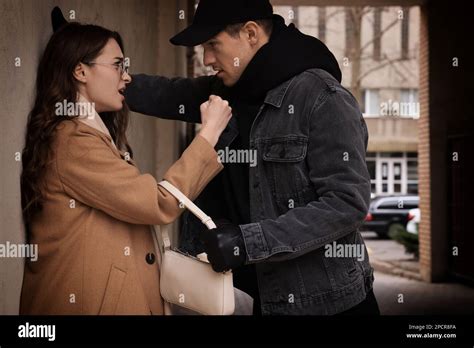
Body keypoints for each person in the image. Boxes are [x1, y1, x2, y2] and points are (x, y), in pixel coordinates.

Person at [127, 0, 380, 315]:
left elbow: (346, 204)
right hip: (256, 298)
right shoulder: (232, 88)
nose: (206, 59)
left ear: (250, 34)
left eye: (212, 45)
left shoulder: (323, 99)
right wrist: (97, 71)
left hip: (325, 304)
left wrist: (247, 243)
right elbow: (167, 94)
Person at [20, 20, 232, 315]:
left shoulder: (86, 134)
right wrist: (208, 135)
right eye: (118, 65)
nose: (127, 77)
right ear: (80, 71)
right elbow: (161, 202)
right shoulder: (73, 140)